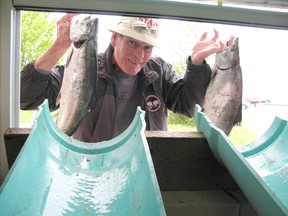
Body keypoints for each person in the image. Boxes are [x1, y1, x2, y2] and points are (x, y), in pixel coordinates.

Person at [20, 13, 225, 142]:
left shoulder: (159, 70)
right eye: (132, 43)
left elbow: (189, 107)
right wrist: (60, 45)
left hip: (144, 166)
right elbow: (25, 97)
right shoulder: (85, 65)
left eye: (147, 47)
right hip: (89, 166)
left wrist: (196, 64)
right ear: (115, 38)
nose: (140, 55)